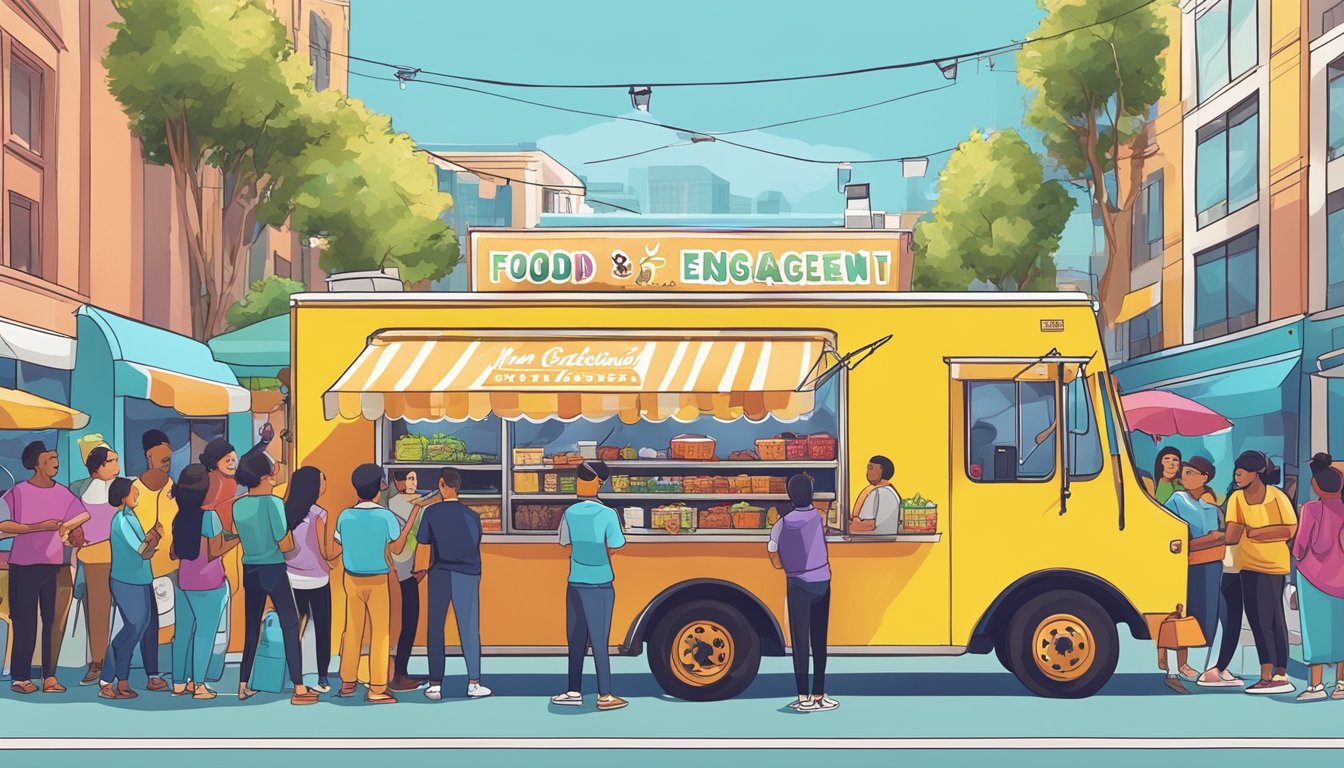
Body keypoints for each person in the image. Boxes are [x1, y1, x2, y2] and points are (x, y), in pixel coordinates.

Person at [0, 441, 88, 695]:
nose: (55, 462)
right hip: (23, 565)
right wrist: (37, 527)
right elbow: (3, 524)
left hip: (54, 565)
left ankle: (49, 676)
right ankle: (21, 677)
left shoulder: (63, 493)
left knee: (52, 623)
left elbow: (79, 517)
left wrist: (76, 531)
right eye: (50, 458)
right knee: (24, 622)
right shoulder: (17, 493)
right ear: (37, 464)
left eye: (56, 457)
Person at [231, 451, 317, 705]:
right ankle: (299, 688)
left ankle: (243, 684)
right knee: (290, 623)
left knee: (251, 626)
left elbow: (237, 533)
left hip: (250, 568)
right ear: (266, 476)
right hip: (274, 568)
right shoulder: (273, 503)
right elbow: (284, 542)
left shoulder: (238, 505)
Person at [335, 463, 420, 704]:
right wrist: (413, 516)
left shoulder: (345, 515)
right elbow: (396, 547)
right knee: (380, 634)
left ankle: (348, 683)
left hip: (351, 579)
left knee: (352, 631)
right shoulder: (385, 516)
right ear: (379, 487)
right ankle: (377, 688)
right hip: (377, 580)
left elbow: (339, 544)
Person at [551, 461, 627, 711]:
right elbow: (616, 545)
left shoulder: (569, 514)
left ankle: (574, 691)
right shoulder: (608, 515)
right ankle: (604, 695)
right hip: (601, 585)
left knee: (576, 641)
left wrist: (582, 558)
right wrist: (599, 557)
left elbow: (566, 545)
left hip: (575, 582)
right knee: (599, 642)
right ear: (600, 484)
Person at [1222, 451, 1297, 695]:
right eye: (1236, 470)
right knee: (1262, 619)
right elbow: (1232, 534)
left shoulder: (1276, 496)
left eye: (1243, 470)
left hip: (1273, 565)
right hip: (1248, 565)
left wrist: (1255, 532)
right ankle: (1273, 673)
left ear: (1257, 473)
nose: (1238, 474)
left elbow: (1289, 529)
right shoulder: (1236, 498)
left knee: (1268, 620)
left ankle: (1274, 674)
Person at [417, 468, 490, 701]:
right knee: (469, 628)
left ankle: (435, 685)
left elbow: (423, 542)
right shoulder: (473, 516)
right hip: (468, 573)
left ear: (441, 484)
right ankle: (474, 683)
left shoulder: (431, 512)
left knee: (435, 628)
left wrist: (419, 570)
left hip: (439, 573)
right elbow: (475, 542)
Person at [769, 473, 837, 712]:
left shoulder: (783, 522)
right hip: (822, 582)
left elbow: (772, 549)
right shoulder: (820, 517)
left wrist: (784, 566)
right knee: (820, 641)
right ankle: (819, 694)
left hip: (797, 584)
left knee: (800, 643)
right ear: (811, 494)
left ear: (790, 496)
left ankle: (802, 697)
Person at [170, 464, 237, 699]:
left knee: (183, 633)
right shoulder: (209, 517)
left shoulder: (180, 517)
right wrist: (238, 538)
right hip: (210, 583)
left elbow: (173, 552)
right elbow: (215, 550)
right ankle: (199, 686)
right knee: (204, 635)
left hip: (184, 581)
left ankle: (179, 683)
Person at [1158, 456, 1225, 694]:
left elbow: (1221, 536)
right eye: (1184, 473)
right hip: (1182, 565)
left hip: (1209, 567)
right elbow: (1168, 533)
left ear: (1204, 478)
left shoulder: (1210, 508)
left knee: (1203, 616)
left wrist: (1209, 540)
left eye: (1190, 473)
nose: (1184, 477)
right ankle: (1173, 670)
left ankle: (1187, 665)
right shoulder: (1177, 499)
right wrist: (1206, 540)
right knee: (1179, 614)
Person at [1291, 453, 1344, 701]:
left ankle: (1316, 686)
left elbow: (1299, 548)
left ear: (1315, 485)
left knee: (1315, 632)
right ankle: (1341, 684)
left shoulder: (1311, 509)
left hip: (1313, 579)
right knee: (1341, 631)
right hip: (1342, 581)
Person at [129, 429, 177, 692]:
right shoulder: (134, 490)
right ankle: (152, 673)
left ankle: (179, 673)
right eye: (163, 451)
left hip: (174, 565)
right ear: (149, 455)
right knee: (149, 623)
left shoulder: (173, 487)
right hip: (145, 567)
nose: (168, 455)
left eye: (169, 451)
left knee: (176, 620)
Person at [100, 477, 157, 700]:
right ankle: (107, 679)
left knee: (139, 630)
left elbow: (143, 547)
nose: (137, 496)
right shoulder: (121, 520)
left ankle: (122, 681)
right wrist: (154, 538)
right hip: (126, 581)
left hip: (142, 579)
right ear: (123, 496)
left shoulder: (132, 516)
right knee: (132, 629)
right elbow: (142, 550)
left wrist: (151, 537)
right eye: (134, 492)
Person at [284, 466, 340, 693]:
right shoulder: (319, 514)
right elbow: (325, 550)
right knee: (322, 628)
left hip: (290, 576)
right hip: (317, 579)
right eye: (322, 480)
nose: (325, 484)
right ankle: (322, 678)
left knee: (295, 628)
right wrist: (340, 551)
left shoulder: (285, 510)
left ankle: (296, 678)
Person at [71, 443, 121, 687]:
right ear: (96, 467)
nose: (116, 466)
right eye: (110, 461)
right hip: (93, 558)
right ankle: (98, 662)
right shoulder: (78, 489)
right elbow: (69, 521)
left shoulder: (124, 488)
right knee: (98, 612)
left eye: (116, 460)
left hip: (122, 556)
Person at [386, 469, 426, 692]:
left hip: (404, 567)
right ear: (398, 481)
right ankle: (399, 673)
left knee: (406, 620)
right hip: (403, 568)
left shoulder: (406, 502)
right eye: (409, 478)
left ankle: (399, 671)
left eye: (415, 477)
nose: (413, 482)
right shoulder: (398, 503)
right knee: (409, 620)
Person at [851, 455, 901, 534]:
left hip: (875, 541)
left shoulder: (877, 493)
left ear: (881, 470)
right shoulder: (889, 490)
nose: (867, 473)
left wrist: (848, 526)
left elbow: (869, 525)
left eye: (870, 468)